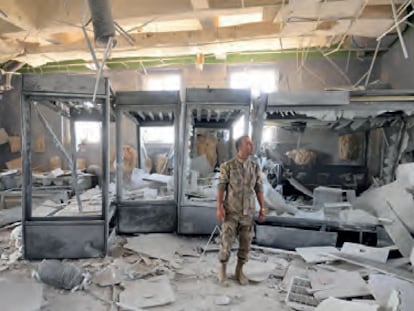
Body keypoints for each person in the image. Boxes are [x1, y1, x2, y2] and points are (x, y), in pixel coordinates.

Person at [216, 135, 265, 285]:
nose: (251, 145)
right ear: (240, 147)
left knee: (246, 244)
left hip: (248, 213)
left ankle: (239, 270)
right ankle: (222, 271)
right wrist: (218, 207)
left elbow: (259, 188)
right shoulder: (228, 166)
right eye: (248, 143)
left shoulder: (255, 167)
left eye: (251, 142)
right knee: (226, 243)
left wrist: (262, 208)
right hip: (231, 211)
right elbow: (221, 186)